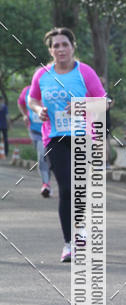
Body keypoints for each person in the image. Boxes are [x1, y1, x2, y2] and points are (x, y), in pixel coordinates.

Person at [28, 28, 106, 262]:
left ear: (73, 46)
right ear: (50, 50)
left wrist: (83, 105)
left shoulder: (85, 72)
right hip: (54, 137)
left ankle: (81, 229)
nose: (60, 49)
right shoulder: (41, 74)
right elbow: (32, 98)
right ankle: (69, 243)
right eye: (55, 46)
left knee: (80, 188)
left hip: (82, 135)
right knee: (66, 187)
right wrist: (38, 109)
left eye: (64, 44)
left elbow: (103, 102)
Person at [18, 85, 52, 196]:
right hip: (35, 131)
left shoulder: (52, 88)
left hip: (52, 131)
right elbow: (21, 102)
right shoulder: (27, 90)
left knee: (48, 158)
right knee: (42, 156)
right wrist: (24, 115)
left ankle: (48, 183)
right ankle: (46, 184)